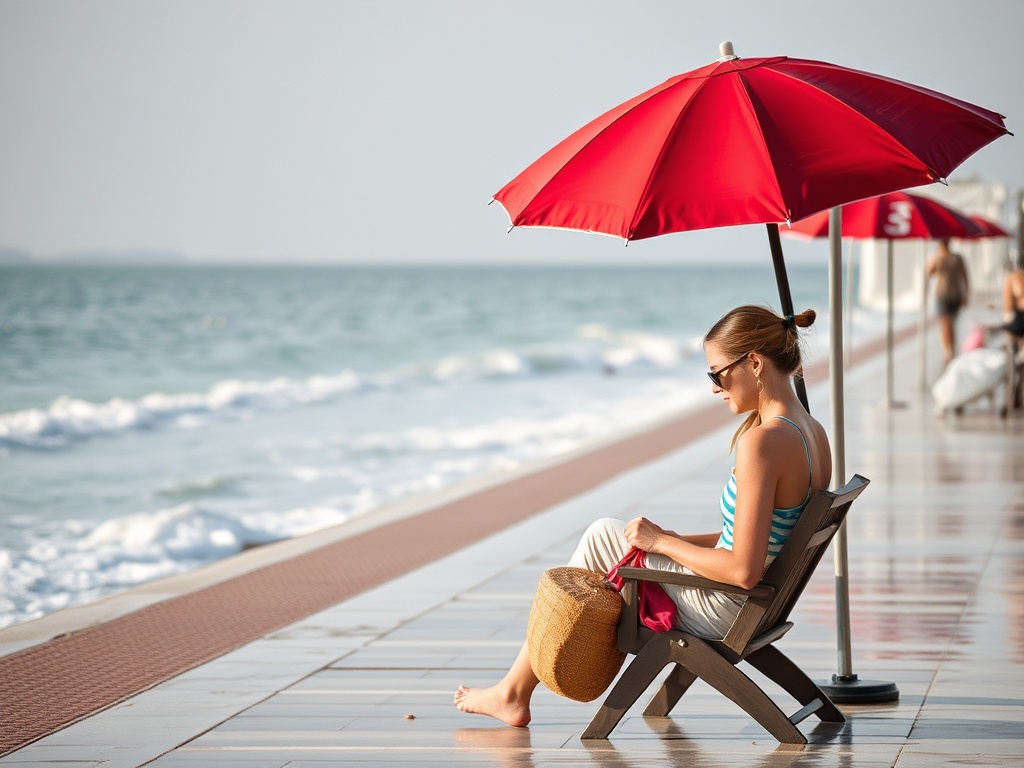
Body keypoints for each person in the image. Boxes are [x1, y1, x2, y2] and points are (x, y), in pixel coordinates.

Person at [454, 305, 832, 727]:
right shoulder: (812, 432)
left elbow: (743, 570)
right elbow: (761, 540)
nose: (714, 388)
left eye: (716, 373)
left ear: (755, 363)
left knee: (602, 535)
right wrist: (678, 539)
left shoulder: (763, 442)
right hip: (762, 605)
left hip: (729, 606)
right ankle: (513, 690)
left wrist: (662, 544)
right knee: (615, 535)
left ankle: (512, 692)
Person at [927, 238, 970, 365]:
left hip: (955, 294)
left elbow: (965, 276)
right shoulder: (937, 258)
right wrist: (935, 258)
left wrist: (965, 294)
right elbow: (929, 273)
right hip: (942, 294)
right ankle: (948, 350)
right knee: (945, 324)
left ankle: (951, 347)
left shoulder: (957, 258)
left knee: (952, 324)